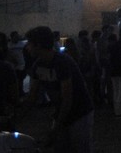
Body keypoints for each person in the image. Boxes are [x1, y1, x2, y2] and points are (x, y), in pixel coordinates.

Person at [24, 25, 94, 153]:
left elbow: (67, 98)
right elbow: (32, 95)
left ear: (38, 45)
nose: (27, 47)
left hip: (80, 112)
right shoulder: (38, 65)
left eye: (29, 43)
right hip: (62, 112)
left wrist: (56, 126)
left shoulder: (62, 62)